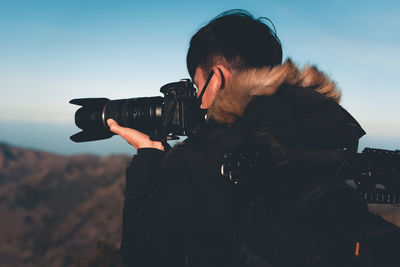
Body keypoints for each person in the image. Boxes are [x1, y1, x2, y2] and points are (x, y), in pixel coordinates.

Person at [108, 10, 397, 267]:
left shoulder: (201, 156)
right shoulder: (324, 129)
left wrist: (147, 156)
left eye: (197, 86)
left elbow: (141, 255)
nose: (197, 99)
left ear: (217, 78)